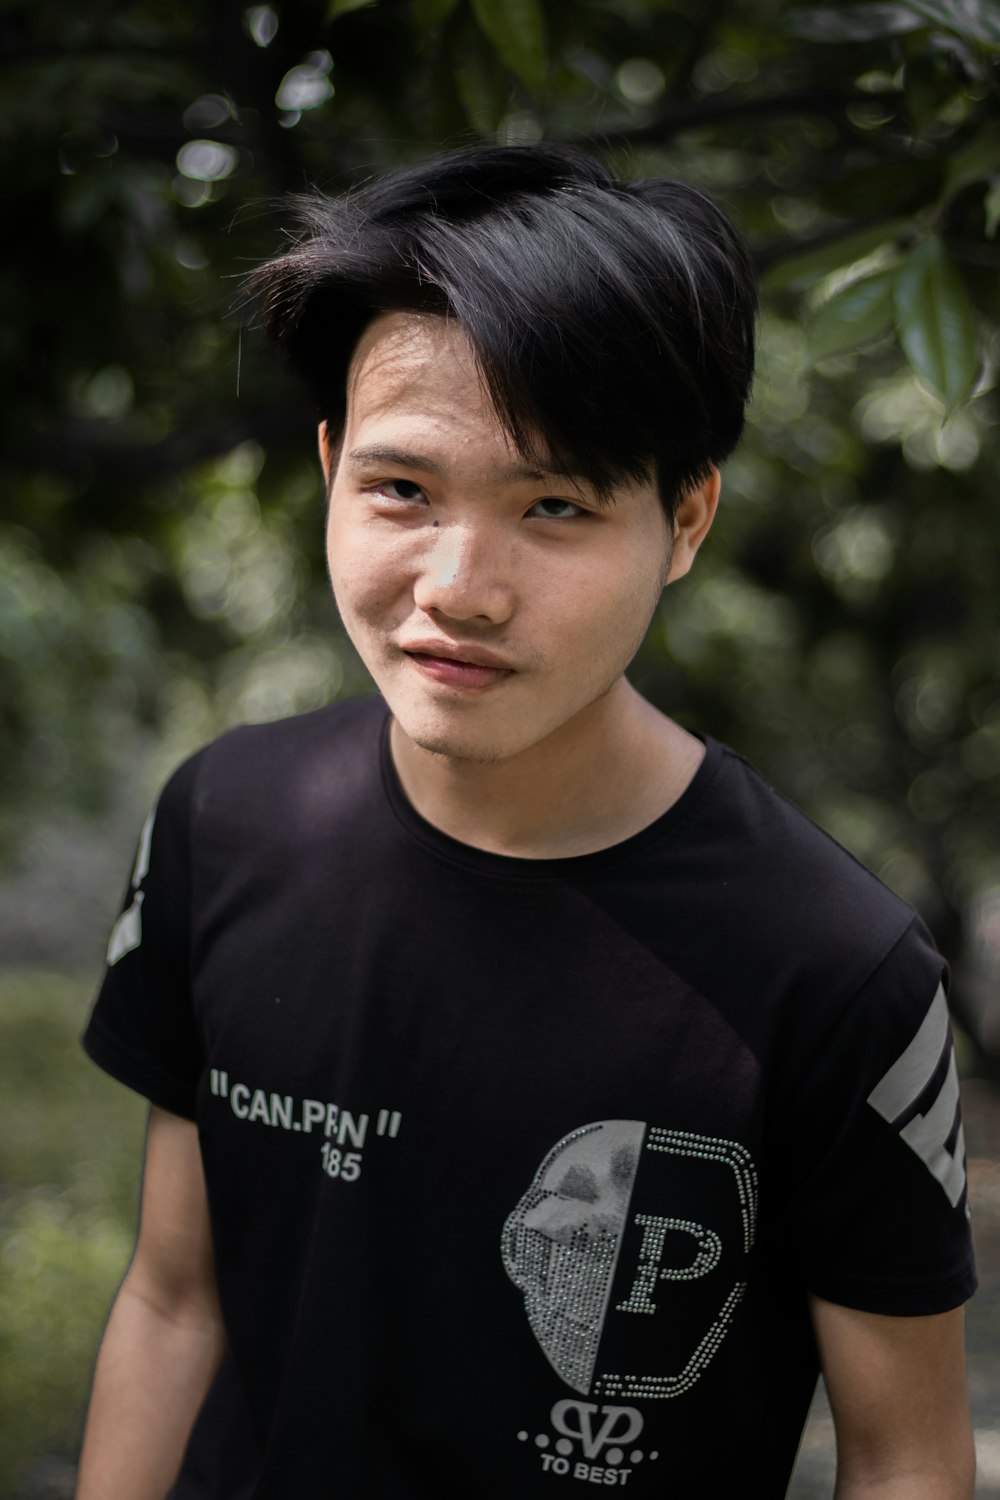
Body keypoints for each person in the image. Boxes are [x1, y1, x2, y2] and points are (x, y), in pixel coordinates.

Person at [77, 143, 977, 1499]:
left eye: (553, 506)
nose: (460, 586)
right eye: (402, 490)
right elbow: (173, 1298)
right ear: (328, 467)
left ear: (686, 520)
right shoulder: (225, 822)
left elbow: (907, 1458)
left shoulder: (833, 969)